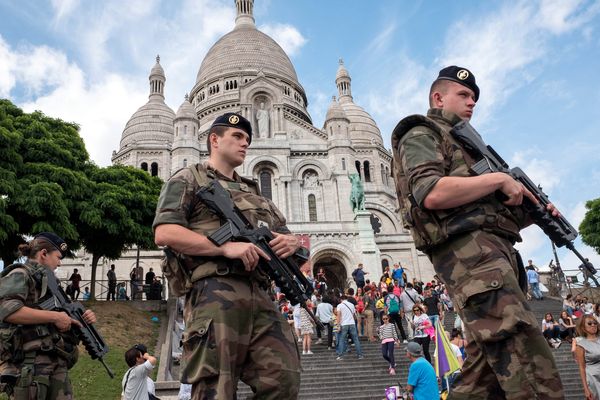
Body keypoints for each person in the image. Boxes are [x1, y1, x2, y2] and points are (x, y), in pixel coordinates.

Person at [391, 65, 564, 398]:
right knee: (529, 361)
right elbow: (431, 192)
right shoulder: (421, 131)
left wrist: (536, 212)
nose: (472, 103)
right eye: (464, 95)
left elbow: (489, 216)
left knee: (482, 380)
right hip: (471, 260)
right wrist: (499, 180)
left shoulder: (468, 146)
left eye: (474, 98)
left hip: (494, 255)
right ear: (438, 97)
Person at [153, 113, 302, 399]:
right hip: (213, 295)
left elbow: (287, 239)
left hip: (261, 295)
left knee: (285, 379)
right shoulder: (189, 178)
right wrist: (223, 247)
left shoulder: (257, 194)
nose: (245, 143)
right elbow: (165, 232)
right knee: (216, 388)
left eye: (247, 139)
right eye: (237, 136)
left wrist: (292, 242)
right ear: (214, 139)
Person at [0, 232, 97, 398]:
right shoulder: (20, 274)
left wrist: (81, 320)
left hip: (56, 362)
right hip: (30, 366)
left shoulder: (52, 284)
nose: (59, 264)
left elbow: (60, 319)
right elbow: (7, 309)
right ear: (43, 254)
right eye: (58, 257)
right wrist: (54, 317)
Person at [574, 315, 600, 400]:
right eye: (589, 323)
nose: (593, 325)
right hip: (593, 379)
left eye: (595, 323)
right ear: (583, 327)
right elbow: (582, 367)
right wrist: (586, 389)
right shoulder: (581, 344)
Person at [335, 295, 364, 360]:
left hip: (344, 324)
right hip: (352, 323)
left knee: (342, 340)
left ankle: (340, 356)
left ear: (341, 299)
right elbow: (354, 315)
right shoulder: (351, 305)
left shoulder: (339, 305)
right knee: (356, 340)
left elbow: (338, 315)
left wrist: (338, 325)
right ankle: (360, 355)